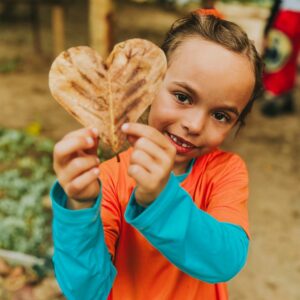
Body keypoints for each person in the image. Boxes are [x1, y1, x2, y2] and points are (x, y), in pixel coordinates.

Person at [50, 11, 263, 300]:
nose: (194, 124)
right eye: (183, 97)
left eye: (221, 115)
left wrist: (160, 198)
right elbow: (86, 289)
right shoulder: (109, 179)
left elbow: (225, 260)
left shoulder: (224, 172)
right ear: (151, 85)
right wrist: (79, 205)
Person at [261, 0, 300, 117]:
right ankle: (286, 95)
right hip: (295, 15)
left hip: (287, 16)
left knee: (277, 58)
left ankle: (272, 96)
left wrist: (267, 27)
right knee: (290, 58)